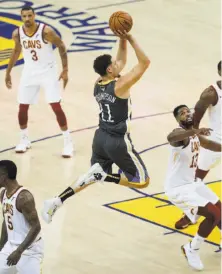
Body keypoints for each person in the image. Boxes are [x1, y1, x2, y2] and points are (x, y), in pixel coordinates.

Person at [41, 30, 150, 223]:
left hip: (100, 138)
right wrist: (132, 38)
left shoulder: (98, 83)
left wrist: (122, 38)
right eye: (114, 64)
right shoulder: (121, 85)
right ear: (110, 70)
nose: (118, 64)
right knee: (141, 181)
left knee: (89, 176)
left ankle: (56, 201)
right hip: (117, 141)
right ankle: (106, 177)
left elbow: (121, 60)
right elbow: (144, 63)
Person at [5, 6, 73, 157]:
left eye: (30, 16)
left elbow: (61, 46)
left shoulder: (46, 31)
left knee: (55, 105)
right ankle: (24, 139)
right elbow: (16, 51)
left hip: (48, 71)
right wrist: (8, 72)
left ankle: (68, 142)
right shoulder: (18, 33)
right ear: (21, 17)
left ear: (34, 16)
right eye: (24, 16)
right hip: (29, 71)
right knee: (22, 106)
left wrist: (65, 69)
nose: (27, 19)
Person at [164, 105, 221, 270]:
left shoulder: (195, 136)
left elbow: (210, 145)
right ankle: (191, 249)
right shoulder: (179, 136)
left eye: (188, 111)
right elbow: (171, 136)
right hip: (178, 188)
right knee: (213, 215)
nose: (187, 114)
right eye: (182, 113)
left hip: (192, 183)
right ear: (177, 120)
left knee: (220, 210)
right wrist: (194, 132)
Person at [175, 61, 221, 229]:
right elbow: (194, 121)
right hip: (215, 144)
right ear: (219, 72)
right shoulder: (211, 93)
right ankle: (191, 212)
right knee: (194, 180)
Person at [0, 160, 43, 274]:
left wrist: (19, 251)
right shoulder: (3, 194)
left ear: (4, 176)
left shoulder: (24, 197)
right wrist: (1, 247)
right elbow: (6, 221)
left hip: (29, 249)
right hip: (10, 246)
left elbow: (36, 227)